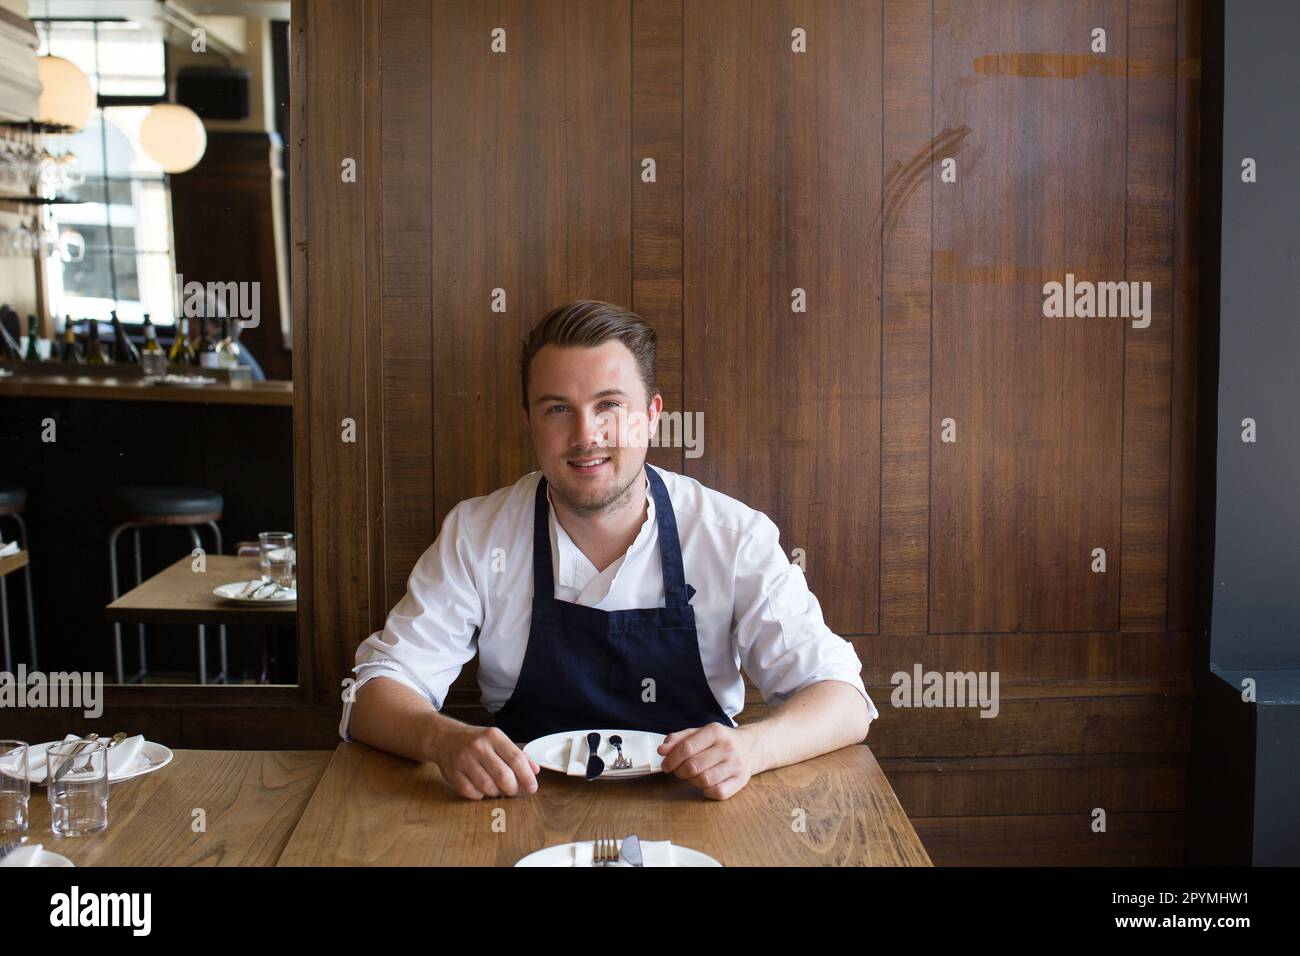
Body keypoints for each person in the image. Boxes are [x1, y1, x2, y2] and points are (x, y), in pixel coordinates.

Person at [342, 300, 878, 800]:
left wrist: (752, 749)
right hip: (517, 810)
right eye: (558, 409)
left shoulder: (732, 536)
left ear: (652, 415)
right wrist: (442, 740)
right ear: (529, 419)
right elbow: (373, 694)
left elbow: (845, 700)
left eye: (609, 406)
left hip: (696, 816)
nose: (586, 434)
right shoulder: (478, 535)